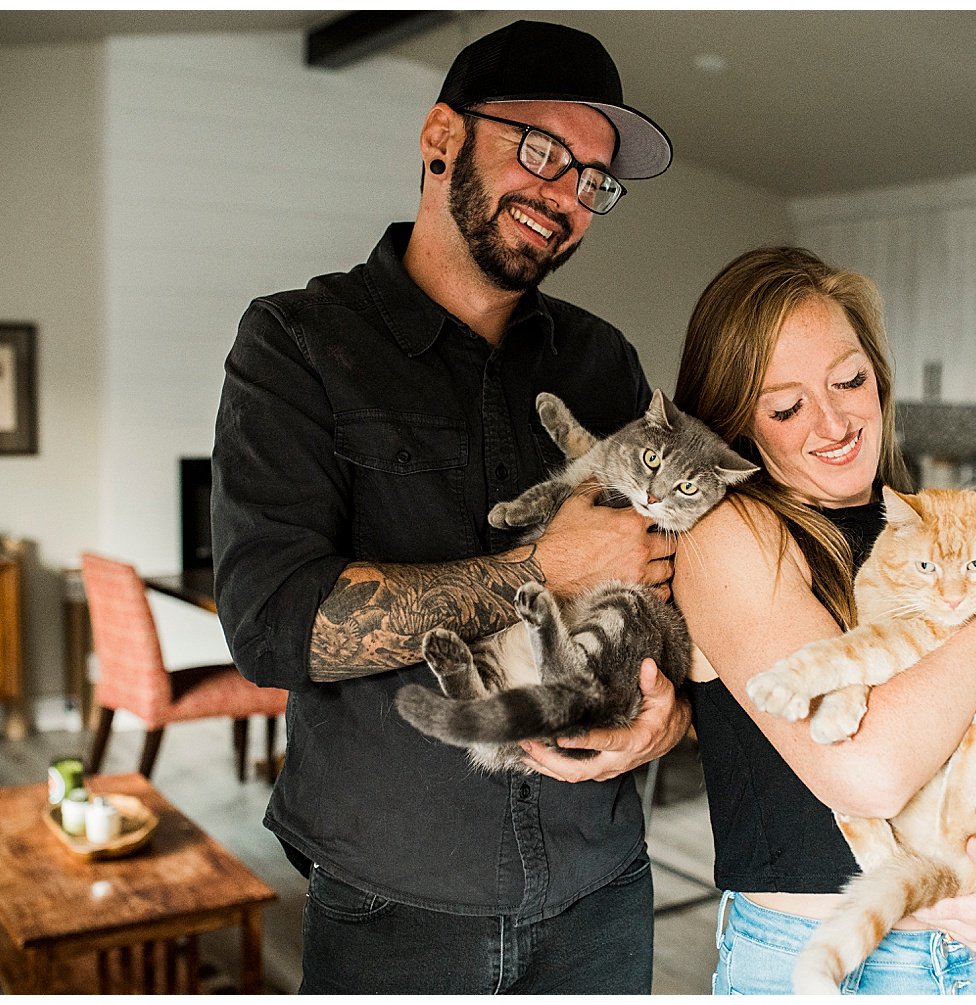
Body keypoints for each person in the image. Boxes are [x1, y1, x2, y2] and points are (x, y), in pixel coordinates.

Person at [210, 19, 691, 995]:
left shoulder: (603, 364)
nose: (567, 196)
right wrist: (536, 573)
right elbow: (271, 624)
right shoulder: (296, 343)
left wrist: (668, 719)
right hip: (397, 902)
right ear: (440, 138)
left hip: (604, 883)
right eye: (542, 150)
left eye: (593, 179)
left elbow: (665, 585)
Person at [670, 246, 976, 995]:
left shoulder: (967, 529)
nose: (835, 420)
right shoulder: (732, 537)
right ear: (736, 422)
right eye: (786, 406)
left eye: (848, 380)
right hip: (820, 965)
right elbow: (870, 774)